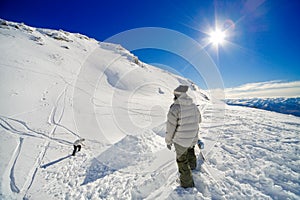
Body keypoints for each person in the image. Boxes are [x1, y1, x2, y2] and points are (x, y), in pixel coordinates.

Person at [165, 85, 201, 188]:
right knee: (190, 151)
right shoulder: (193, 106)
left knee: (182, 160)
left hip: (181, 141)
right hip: (193, 137)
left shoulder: (175, 108)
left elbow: (170, 128)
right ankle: (193, 168)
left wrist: (168, 141)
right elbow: (200, 120)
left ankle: (187, 184)